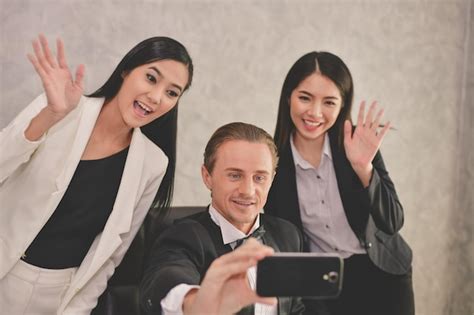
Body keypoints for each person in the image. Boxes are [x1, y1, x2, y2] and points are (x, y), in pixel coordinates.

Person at [0, 34, 193, 314]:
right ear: (127, 70)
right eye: (151, 78)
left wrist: (77, 310)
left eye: (172, 92)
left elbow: (111, 256)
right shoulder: (61, 108)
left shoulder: (153, 163)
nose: (156, 97)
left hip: (58, 294)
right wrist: (50, 116)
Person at [264, 51, 414, 315]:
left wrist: (364, 169)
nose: (315, 112)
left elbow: (393, 221)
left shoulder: (359, 145)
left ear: (342, 105)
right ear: (289, 96)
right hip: (321, 283)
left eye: (329, 102)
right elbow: (279, 239)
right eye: (305, 98)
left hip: (382, 275)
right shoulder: (272, 160)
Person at [140, 122, 305, 315]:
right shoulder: (180, 237)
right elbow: (168, 280)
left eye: (259, 178)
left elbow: (296, 309)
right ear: (207, 176)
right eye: (235, 175)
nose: (248, 191)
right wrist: (198, 304)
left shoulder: (288, 234)